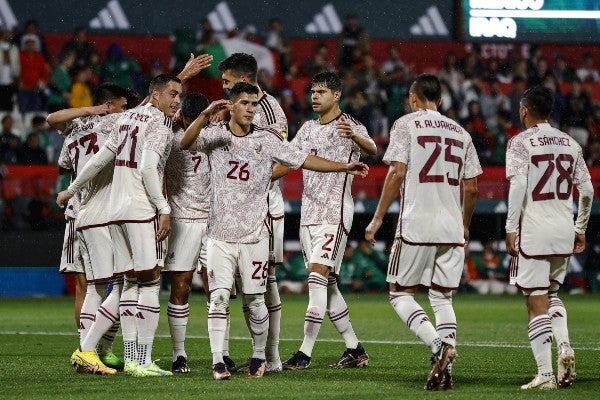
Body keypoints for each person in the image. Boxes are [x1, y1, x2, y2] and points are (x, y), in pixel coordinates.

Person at [179, 82, 368, 380]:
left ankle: (258, 356)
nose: (251, 109)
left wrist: (342, 167)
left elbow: (304, 160)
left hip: (255, 235)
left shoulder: (267, 140)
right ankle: (218, 361)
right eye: (244, 103)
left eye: (254, 104)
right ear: (231, 105)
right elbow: (185, 144)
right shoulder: (216, 135)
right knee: (217, 298)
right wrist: (204, 115)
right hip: (219, 236)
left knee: (255, 301)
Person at [57, 74, 183, 377]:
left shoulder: (125, 119)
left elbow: (100, 159)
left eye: (180, 95)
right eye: (172, 94)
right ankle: (142, 360)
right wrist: (163, 208)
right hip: (138, 207)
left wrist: (72, 189)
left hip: (113, 210)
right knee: (150, 279)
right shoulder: (159, 126)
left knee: (127, 282)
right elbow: (149, 168)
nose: (177, 101)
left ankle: (95, 350)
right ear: (155, 95)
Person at [365, 74, 482, 390]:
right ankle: (446, 369)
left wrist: (377, 219)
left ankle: (438, 346)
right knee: (443, 297)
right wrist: (465, 223)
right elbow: (471, 188)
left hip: (416, 224)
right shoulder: (461, 133)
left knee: (400, 293)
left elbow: (397, 172)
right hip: (451, 227)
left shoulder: (406, 124)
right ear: (440, 101)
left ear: (413, 99)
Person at [282, 71, 376, 371]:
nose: (314, 96)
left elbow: (373, 149)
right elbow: (290, 158)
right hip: (308, 214)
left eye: (321, 92)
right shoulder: (307, 128)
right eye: (312, 91)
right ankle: (355, 349)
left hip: (334, 213)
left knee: (316, 278)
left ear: (337, 95)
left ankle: (304, 352)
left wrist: (356, 137)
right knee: (329, 283)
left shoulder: (349, 125)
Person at [505, 85, 594, 390]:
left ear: (525, 110)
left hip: (534, 229)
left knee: (535, 302)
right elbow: (588, 190)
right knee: (552, 295)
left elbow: (517, 187)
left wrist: (510, 227)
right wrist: (580, 227)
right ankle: (565, 346)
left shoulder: (520, 143)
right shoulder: (571, 143)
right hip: (563, 230)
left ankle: (545, 375)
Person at [50, 83, 129, 375]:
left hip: (79, 211)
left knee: (91, 285)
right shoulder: (117, 122)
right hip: (96, 211)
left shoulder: (76, 129)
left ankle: (94, 348)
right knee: (100, 284)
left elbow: (60, 155)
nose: (125, 111)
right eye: (122, 106)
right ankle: (90, 348)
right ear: (110, 105)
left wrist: (90, 114)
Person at [218, 52, 288, 372]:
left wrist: (250, 182)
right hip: (229, 211)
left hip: (263, 207)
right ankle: (226, 354)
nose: (223, 86)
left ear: (244, 80)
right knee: (228, 285)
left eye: (228, 81)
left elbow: (282, 163)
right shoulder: (228, 107)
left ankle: (269, 355)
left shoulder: (270, 110)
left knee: (263, 283)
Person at [162, 93, 211, 374]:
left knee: (216, 290)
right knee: (180, 287)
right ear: (181, 116)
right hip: (182, 220)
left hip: (215, 220)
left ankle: (222, 353)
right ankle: (179, 354)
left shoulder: (216, 132)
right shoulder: (169, 137)